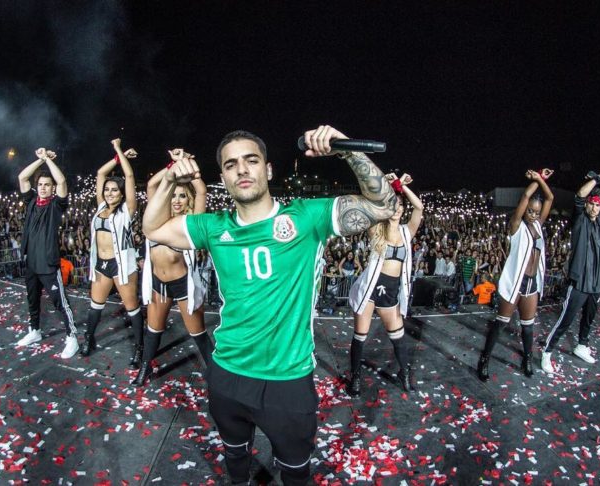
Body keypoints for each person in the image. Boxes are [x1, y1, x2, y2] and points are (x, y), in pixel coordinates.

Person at [143, 126, 396, 486]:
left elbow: (384, 206)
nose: (242, 170)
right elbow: (152, 227)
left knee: (295, 474)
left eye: (251, 160)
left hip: (287, 381)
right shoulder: (213, 227)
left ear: (269, 170)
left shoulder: (306, 218)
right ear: (224, 177)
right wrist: (170, 177)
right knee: (235, 460)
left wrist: (346, 149)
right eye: (231, 165)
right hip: (227, 373)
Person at [133, 152, 211, 386]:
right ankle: (145, 369)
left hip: (184, 285)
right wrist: (173, 165)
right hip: (157, 283)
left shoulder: (191, 223)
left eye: (181, 196)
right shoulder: (157, 220)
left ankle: (218, 374)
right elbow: (152, 184)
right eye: (173, 195)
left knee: (198, 334)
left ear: (187, 200)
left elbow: (202, 191)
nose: (176, 200)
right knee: (153, 330)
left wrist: (189, 169)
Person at [346, 172, 423, 396]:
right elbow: (369, 204)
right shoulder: (376, 230)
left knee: (398, 338)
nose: (398, 209)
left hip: (390, 293)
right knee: (360, 337)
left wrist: (402, 187)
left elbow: (418, 208)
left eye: (400, 206)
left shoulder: (406, 233)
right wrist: (386, 186)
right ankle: (356, 377)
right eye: (393, 206)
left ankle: (404, 372)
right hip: (370, 289)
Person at [477, 169, 554, 381]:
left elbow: (550, 197)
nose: (534, 215)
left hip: (531, 284)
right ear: (524, 210)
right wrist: (536, 179)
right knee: (501, 323)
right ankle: (484, 359)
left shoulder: (538, 225)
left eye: (537, 212)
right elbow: (526, 196)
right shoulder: (516, 227)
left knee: (528, 328)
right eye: (530, 211)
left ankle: (527, 359)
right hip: (515, 282)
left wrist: (541, 180)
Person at [541, 170, 600, 372]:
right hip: (578, 281)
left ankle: (582, 346)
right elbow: (580, 195)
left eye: (597, 205)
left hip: (595, 282)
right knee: (566, 319)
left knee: (589, 318)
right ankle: (547, 352)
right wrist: (596, 179)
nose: (594, 207)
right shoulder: (580, 218)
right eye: (592, 204)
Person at [79, 140, 143, 367]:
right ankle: (89, 338)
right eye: (107, 189)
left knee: (131, 307)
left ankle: (139, 348)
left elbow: (130, 176)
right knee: (95, 305)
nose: (109, 193)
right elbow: (100, 173)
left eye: (114, 189)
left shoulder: (128, 210)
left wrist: (119, 150)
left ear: (122, 193)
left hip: (122, 265)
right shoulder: (99, 208)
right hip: (101, 265)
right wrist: (119, 155)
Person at [15, 148, 78, 359]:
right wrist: (40, 159)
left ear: (52, 189)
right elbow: (22, 177)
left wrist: (50, 162)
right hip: (31, 262)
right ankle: (35, 331)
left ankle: (72, 338)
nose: (42, 188)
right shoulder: (31, 202)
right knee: (32, 300)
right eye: (40, 184)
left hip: (48, 263)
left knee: (60, 302)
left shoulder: (56, 206)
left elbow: (61, 182)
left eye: (46, 185)